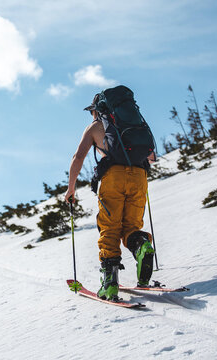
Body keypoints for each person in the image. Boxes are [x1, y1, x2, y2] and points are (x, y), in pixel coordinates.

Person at [64, 93, 156, 301]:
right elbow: (151, 155)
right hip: (139, 176)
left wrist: (71, 188)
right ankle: (142, 246)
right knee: (132, 226)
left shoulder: (95, 127)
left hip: (113, 178)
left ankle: (109, 283)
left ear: (97, 109)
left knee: (110, 228)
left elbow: (78, 157)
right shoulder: (135, 124)